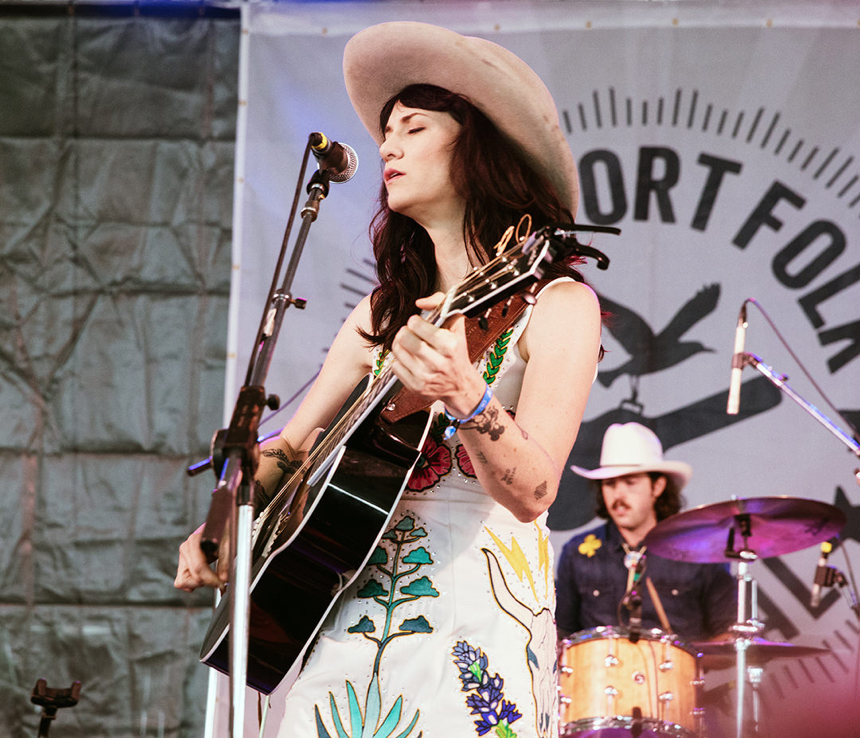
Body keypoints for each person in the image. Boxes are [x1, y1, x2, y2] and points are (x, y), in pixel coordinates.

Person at [175, 22, 605, 738]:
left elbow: (534, 491)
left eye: (414, 126)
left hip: (476, 616)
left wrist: (464, 392)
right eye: (385, 132)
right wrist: (228, 519)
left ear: (477, 150)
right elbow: (298, 443)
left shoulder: (556, 304)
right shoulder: (381, 312)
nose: (388, 146)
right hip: (347, 613)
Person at [555, 422, 737, 643]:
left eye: (630, 482)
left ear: (658, 487)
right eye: (609, 484)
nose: (618, 495)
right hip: (597, 675)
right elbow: (561, 636)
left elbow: (726, 637)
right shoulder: (577, 552)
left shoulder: (700, 551)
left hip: (679, 675)